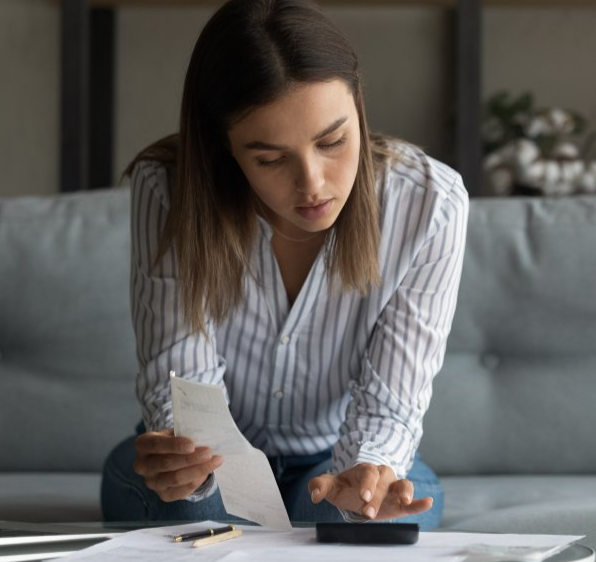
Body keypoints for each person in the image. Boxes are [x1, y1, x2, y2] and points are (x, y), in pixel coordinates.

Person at [101, 0, 467, 530]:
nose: (313, 183)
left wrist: (364, 476)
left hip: (335, 450)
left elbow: (391, 405)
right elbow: (185, 394)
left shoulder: (430, 204)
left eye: (333, 141)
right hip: (215, 459)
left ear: (359, 108)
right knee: (191, 507)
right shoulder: (169, 191)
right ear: (223, 147)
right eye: (270, 159)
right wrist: (190, 470)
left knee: (361, 518)